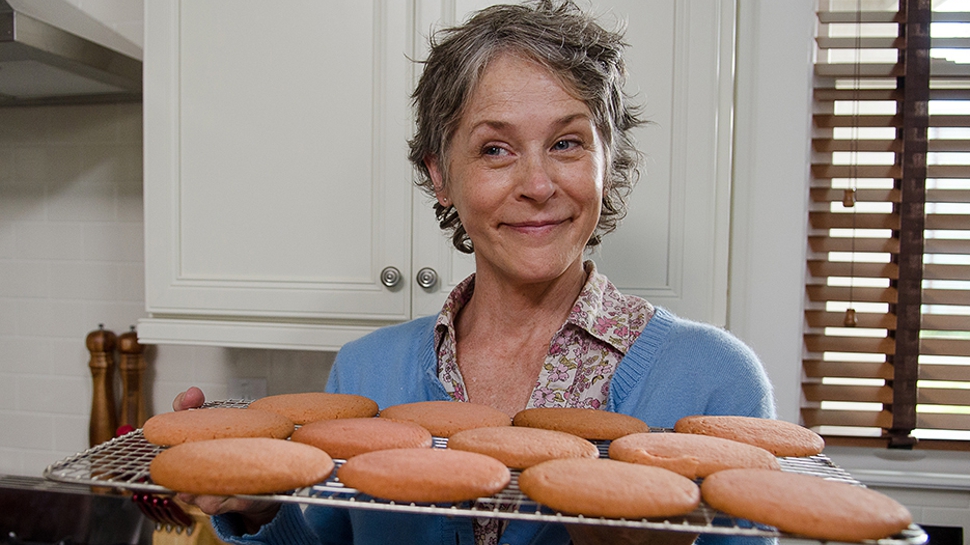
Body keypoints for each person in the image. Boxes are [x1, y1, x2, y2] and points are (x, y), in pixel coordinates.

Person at [173, 1, 776, 544]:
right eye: (495, 149)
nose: (538, 186)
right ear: (440, 174)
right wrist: (259, 510)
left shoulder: (715, 380)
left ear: (606, 162)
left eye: (568, 143)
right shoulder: (365, 371)